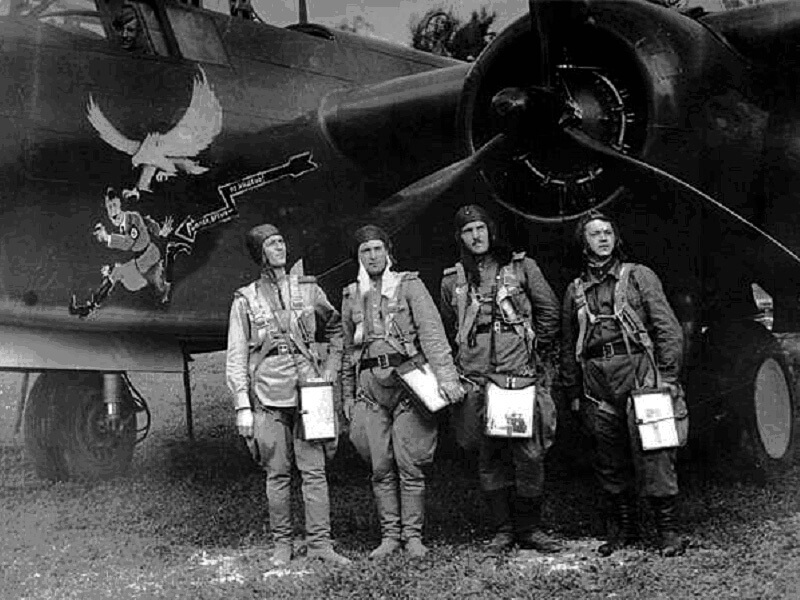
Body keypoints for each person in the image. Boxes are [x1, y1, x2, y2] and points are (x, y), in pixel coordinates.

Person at [560, 210, 687, 557]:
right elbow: (568, 346)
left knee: (656, 450)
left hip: (640, 373)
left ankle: (667, 532)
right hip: (597, 381)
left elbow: (668, 329)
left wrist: (668, 377)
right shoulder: (575, 290)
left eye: (607, 232)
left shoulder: (639, 277)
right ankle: (625, 530)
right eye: (594, 234)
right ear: (583, 243)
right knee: (608, 457)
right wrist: (573, 392)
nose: (603, 238)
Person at [226, 224, 350, 567]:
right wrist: (242, 405)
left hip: (310, 390)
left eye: (281, 241)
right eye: (271, 244)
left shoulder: (308, 289)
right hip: (268, 393)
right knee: (277, 473)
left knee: (314, 471)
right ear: (260, 254)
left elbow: (336, 328)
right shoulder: (245, 299)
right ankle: (282, 544)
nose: (279, 247)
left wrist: (331, 370)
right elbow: (236, 355)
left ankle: (320, 544)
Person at [440, 204, 562, 554]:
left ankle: (530, 528)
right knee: (488, 454)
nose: (476, 236)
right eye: (468, 231)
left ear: (490, 231)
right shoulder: (452, 280)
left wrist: (532, 353)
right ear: (460, 238)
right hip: (477, 378)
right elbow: (451, 325)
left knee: (529, 453)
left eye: (480, 228)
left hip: (516, 375)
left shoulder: (521, 267)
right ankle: (503, 530)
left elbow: (549, 312)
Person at [341, 224, 464, 559]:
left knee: (411, 462)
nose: (372, 256)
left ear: (388, 252)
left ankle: (412, 536)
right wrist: (347, 395)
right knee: (380, 465)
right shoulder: (351, 295)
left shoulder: (409, 285)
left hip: (409, 382)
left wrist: (447, 379)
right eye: (365, 251)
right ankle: (389, 536)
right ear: (358, 257)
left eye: (377, 249)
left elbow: (432, 333)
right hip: (370, 386)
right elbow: (348, 351)